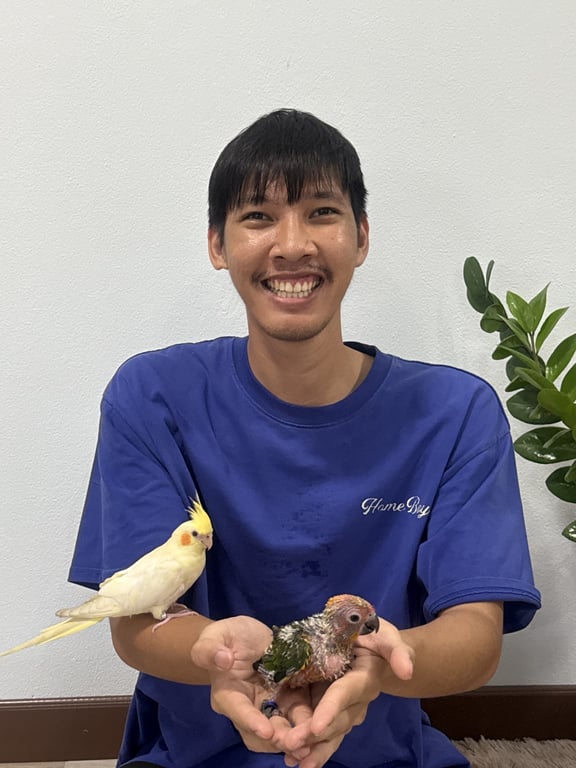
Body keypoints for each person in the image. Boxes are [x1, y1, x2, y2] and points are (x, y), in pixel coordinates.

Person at [68, 109, 541, 768]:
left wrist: (378, 665)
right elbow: (136, 625)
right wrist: (215, 652)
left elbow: (476, 638)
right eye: (258, 216)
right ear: (217, 244)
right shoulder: (152, 397)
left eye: (321, 212)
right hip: (196, 754)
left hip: (384, 754)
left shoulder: (455, 413)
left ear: (361, 236)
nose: (292, 244)